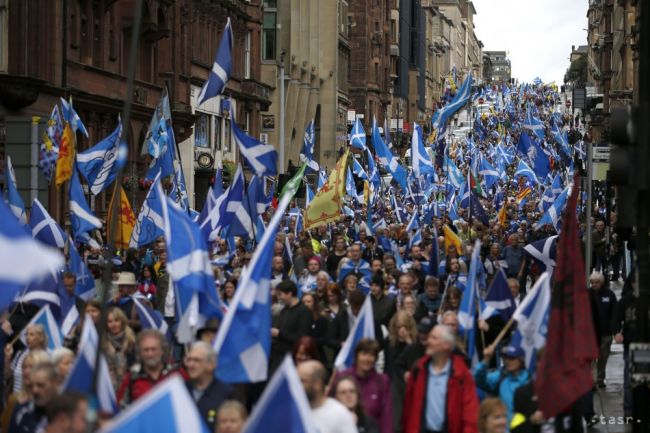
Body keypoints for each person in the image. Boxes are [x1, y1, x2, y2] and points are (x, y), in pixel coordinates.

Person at [403, 324, 479, 433]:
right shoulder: (418, 369)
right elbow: (408, 409)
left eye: (434, 338)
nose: (428, 340)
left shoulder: (462, 374)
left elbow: (470, 413)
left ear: (446, 345)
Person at [330, 339, 392, 433]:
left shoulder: (382, 381)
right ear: (357, 356)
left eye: (371, 355)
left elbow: (386, 415)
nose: (367, 359)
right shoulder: (341, 376)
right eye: (364, 354)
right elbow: (330, 405)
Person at [117, 329, 180, 406]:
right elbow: (121, 407)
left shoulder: (176, 374)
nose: (150, 354)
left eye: (154, 349)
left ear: (162, 350)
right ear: (140, 352)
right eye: (146, 350)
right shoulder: (131, 378)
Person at [185, 341, 235, 432]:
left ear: (211, 365)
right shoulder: (180, 390)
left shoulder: (226, 393)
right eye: (189, 360)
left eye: (197, 360)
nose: (190, 365)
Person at [473, 344, 530, 424]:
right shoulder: (500, 376)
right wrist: (486, 360)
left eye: (512, 358)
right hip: (502, 428)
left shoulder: (530, 380)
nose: (507, 361)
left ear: (521, 360)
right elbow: (477, 380)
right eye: (505, 358)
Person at [297, 360, 357, 433]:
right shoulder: (293, 410)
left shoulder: (338, 414)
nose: (297, 385)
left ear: (317, 384)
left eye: (302, 381)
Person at [270, 281, 313, 372]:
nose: (278, 298)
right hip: (278, 356)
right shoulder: (284, 311)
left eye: (280, 294)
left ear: (289, 293)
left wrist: (279, 334)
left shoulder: (304, 312)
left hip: (292, 359)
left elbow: (302, 338)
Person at [9, 362, 61, 433]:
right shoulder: (21, 412)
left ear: (56, 384)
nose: (35, 390)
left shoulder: (67, 414)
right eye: (31, 386)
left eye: (41, 385)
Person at [588, 271, 617, 388]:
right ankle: (591, 380)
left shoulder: (609, 295)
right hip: (591, 333)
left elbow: (615, 313)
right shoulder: (587, 294)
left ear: (602, 283)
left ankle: (599, 379)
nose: (594, 285)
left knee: (603, 357)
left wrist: (614, 329)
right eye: (592, 283)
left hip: (605, 333)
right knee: (590, 359)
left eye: (597, 282)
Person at [104, 307, 137, 389]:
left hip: (130, 386)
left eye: (116, 320)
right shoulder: (102, 343)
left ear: (122, 321)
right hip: (108, 387)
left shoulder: (132, 341)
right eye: (110, 321)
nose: (113, 324)